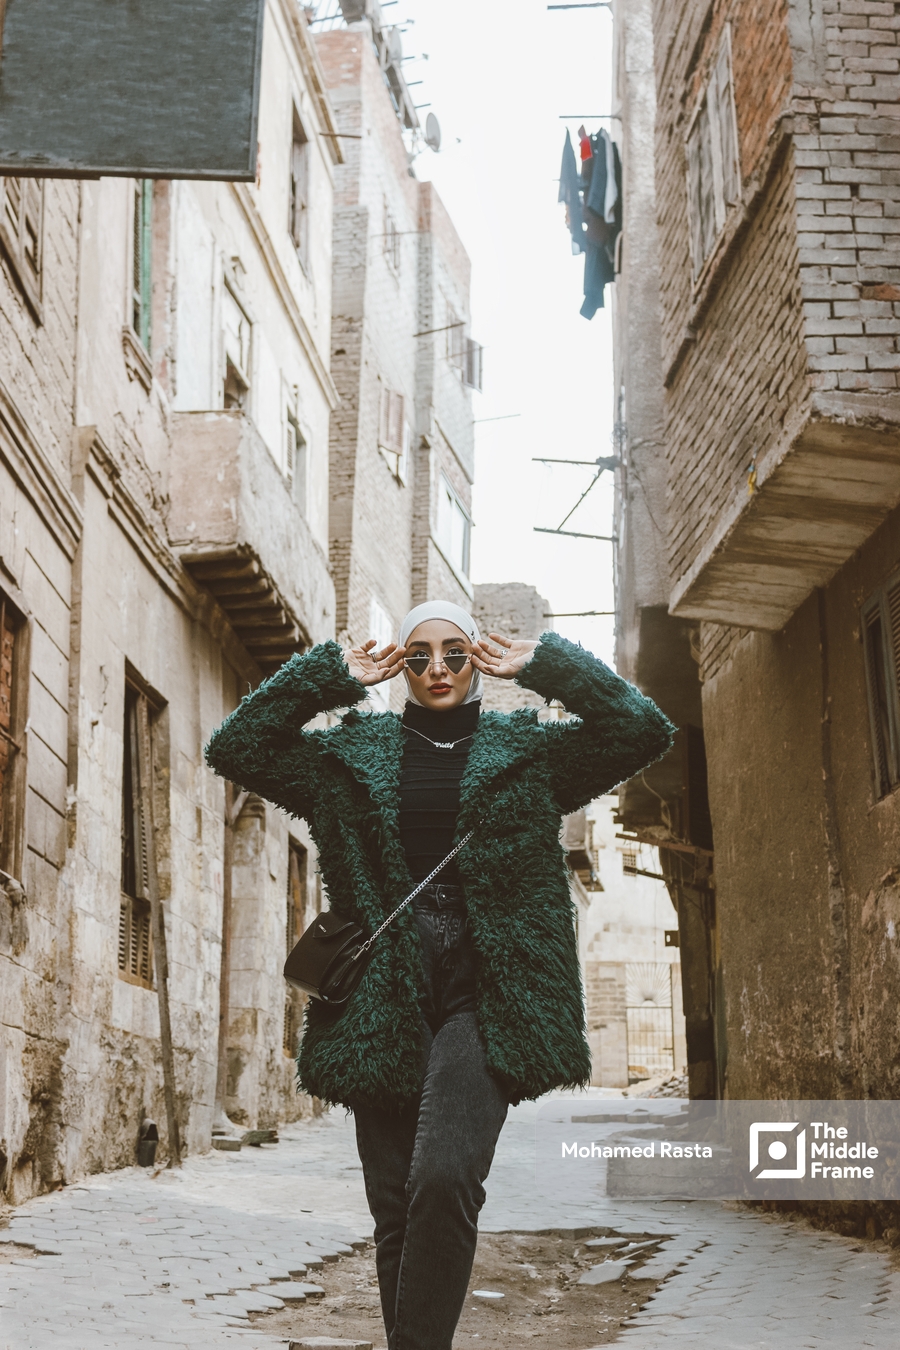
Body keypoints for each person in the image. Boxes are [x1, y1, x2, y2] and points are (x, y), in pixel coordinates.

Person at [205, 601, 673, 1350]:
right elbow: (237, 745)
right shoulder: (346, 757)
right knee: (394, 1208)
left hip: (489, 983)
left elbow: (642, 730)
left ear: (477, 661)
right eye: (419, 656)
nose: (437, 670)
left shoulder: (531, 752)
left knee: (444, 1178)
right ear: (401, 668)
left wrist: (548, 664)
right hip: (380, 984)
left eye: (454, 653)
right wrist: (330, 676)